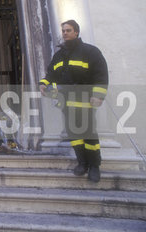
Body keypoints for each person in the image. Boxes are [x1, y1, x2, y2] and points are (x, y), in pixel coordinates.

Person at [39, 20, 108, 182]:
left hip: (86, 101)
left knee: (89, 134)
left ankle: (94, 166)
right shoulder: (59, 55)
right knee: (74, 134)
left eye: (68, 30)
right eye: (63, 31)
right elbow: (51, 74)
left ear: (76, 32)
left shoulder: (90, 52)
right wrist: (44, 84)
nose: (64, 33)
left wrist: (98, 95)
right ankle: (82, 163)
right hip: (66, 102)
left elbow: (101, 75)